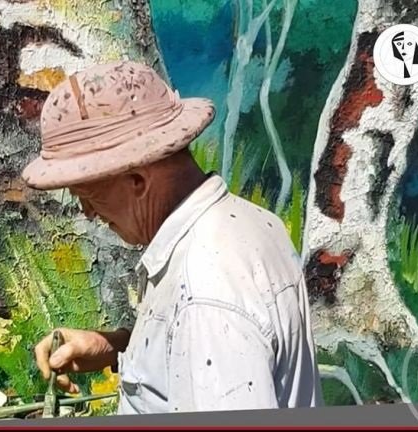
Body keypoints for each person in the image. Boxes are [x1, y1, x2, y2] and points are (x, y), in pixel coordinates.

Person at [21, 60, 324, 414]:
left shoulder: (204, 290)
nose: (87, 212)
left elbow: (211, 332)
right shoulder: (252, 223)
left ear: (137, 181)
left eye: (87, 195)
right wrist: (117, 347)